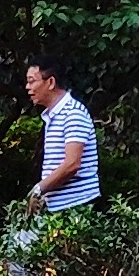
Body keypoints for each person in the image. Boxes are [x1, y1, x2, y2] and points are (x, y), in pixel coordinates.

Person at [21, 54, 101, 214]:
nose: (27, 87)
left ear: (50, 82)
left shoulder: (73, 113)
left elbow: (72, 164)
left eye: (31, 81)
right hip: (62, 208)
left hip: (77, 208)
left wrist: (39, 189)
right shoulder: (54, 114)